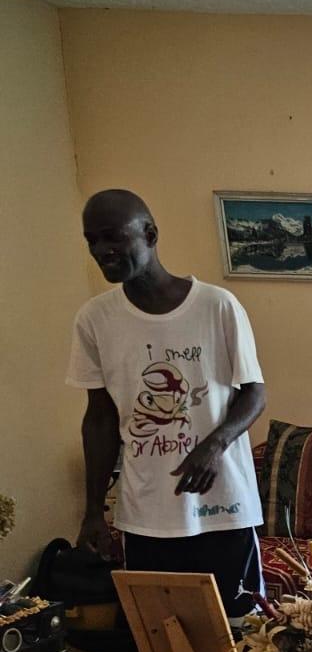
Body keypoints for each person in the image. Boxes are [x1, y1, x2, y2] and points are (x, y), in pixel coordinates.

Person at [68, 189, 268, 622]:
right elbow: (99, 418)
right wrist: (93, 511)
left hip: (224, 509)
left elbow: (254, 393)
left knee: (243, 639)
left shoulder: (217, 306)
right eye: (92, 241)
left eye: (113, 237)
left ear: (150, 234)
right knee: (160, 639)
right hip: (146, 514)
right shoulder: (95, 320)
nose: (102, 250)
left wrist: (214, 445)